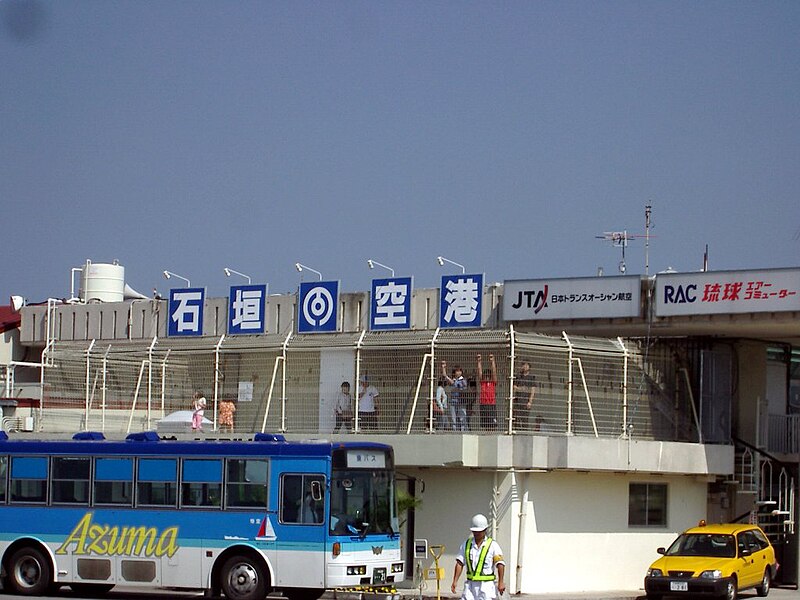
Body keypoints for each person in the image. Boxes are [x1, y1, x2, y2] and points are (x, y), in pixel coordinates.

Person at [451, 513, 506, 600]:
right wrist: (455, 581)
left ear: (485, 530)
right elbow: (459, 563)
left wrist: (501, 582)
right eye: (474, 531)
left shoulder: (493, 545)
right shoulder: (466, 544)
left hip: (486, 586)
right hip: (470, 585)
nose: (476, 533)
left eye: (479, 531)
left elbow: (500, 564)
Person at [441, 360, 468, 431]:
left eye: (459, 371)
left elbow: (461, 387)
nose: (458, 372)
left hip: (461, 401)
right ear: (454, 372)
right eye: (457, 371)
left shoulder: (463, 380)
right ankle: (454, 430)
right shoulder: (453, 380)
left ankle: (462, 430)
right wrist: (443, 367)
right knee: (453, 418)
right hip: (453, 401)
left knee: (462, 417)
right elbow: (445, 376)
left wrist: (456, 385)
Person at [513, 361, 536, 432]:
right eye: (523, 365)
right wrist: (521, 389)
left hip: (526, 402)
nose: (525, 366)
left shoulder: (531, 377)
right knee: (516, 419)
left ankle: (525, 434)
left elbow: (533, 390)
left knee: (525, 420)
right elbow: (514, 387)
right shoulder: (518, 376)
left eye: (526, 365)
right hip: (518, 401)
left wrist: (530, 401)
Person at [476, 354, 498, 431]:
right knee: (486, 424)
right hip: (483, 404)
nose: (486, 377)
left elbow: (494, 372)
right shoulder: (482, 383)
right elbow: (479, 372)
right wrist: (479, 361)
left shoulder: (493, 382)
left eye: (488, 376)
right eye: (485, 376)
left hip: (491, 404)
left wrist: (492, 361)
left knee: (492, 424)